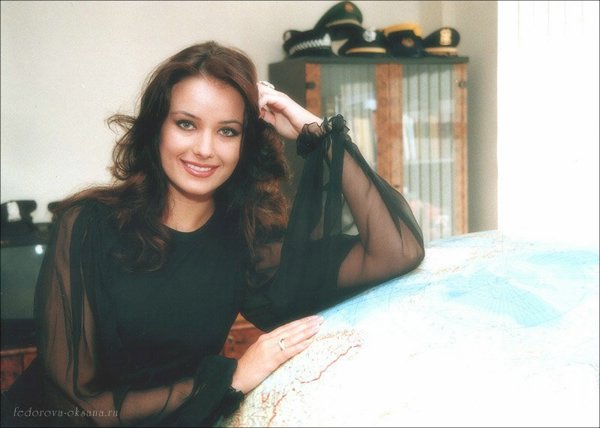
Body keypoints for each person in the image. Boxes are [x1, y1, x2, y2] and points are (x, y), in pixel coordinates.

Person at [2, 41, 424, 427]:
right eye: (186, 124)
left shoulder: (246, 242)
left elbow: (397, 250)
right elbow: (75, 409)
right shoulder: (86, 224)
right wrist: (230, 380)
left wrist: (317, 131)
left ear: (245, 142)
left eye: (227, 131)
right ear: (156, 127)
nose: (205, 149)